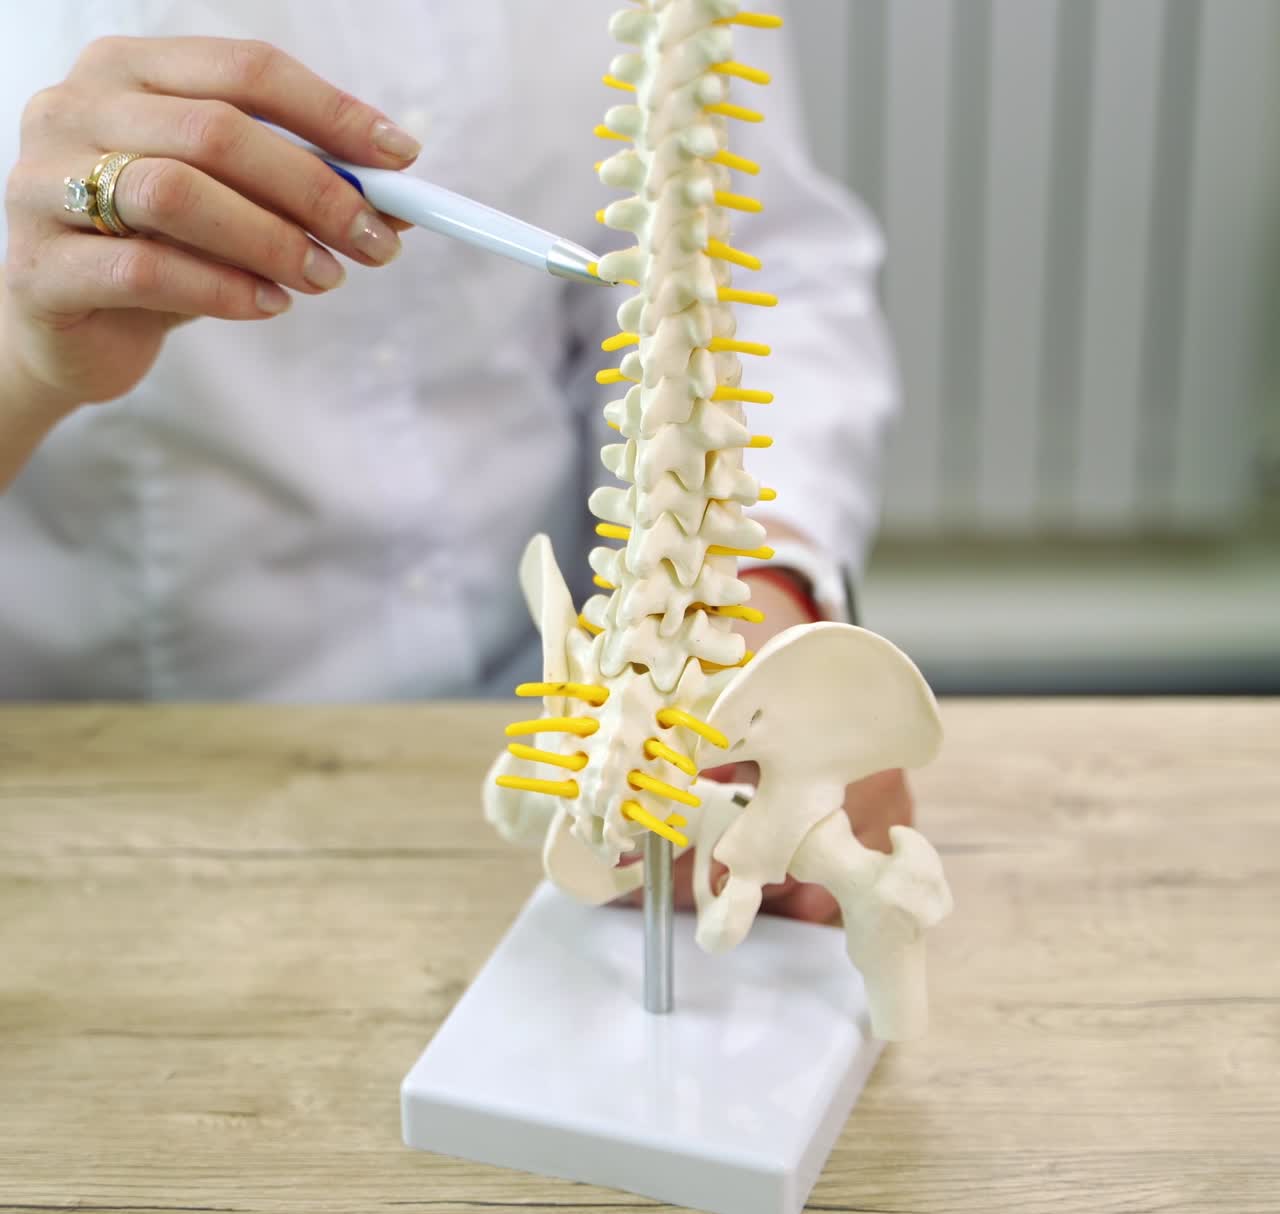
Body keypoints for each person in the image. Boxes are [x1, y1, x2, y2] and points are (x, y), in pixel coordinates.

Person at [0, 2, 912, 918]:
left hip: (546, 732)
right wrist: (24, 361)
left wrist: (750, 589)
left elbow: (746, 260)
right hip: (111, 795)